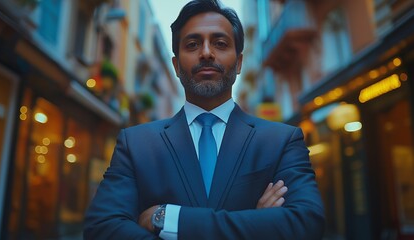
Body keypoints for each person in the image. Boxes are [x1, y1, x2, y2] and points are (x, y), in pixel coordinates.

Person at [83, 0, 325, 239]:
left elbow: (307, 223)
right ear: (176, 66)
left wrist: (167, 218)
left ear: (239, 62)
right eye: (192, 44)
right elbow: (102, 228)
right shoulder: (135, 144)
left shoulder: (282, 141)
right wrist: (256, 223)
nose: (207, 53)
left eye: (220, 43)